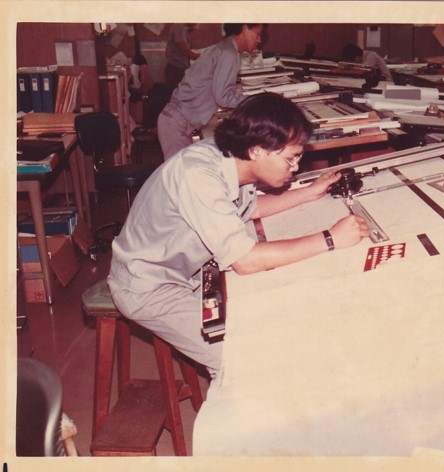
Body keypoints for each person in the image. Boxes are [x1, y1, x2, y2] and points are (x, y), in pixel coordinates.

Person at [108, 93, 369, 378]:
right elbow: (245, 261)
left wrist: (309, 193)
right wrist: (330, 239)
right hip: (149, 286)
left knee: (280, 314)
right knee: (242, 359)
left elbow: (251, 207)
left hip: (190, 271)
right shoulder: (198, 175)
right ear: (257, 150)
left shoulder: (232, 158)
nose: (295, 168)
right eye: (290, 159)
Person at [157, 23, 264, 161]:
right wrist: (257, 100)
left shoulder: (223, 48)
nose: (259, 40)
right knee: (179, 171)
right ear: (244, 28)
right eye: (257, 34)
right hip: (176, 124)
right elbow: (223, 97)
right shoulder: (229, 54)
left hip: (175, 121)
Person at [164, 23, 201, 90]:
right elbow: (184, 50)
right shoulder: (179, 27)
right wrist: (201, 57)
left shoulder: (185, 29)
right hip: (175, 69)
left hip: (181, 68)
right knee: (176, 92)